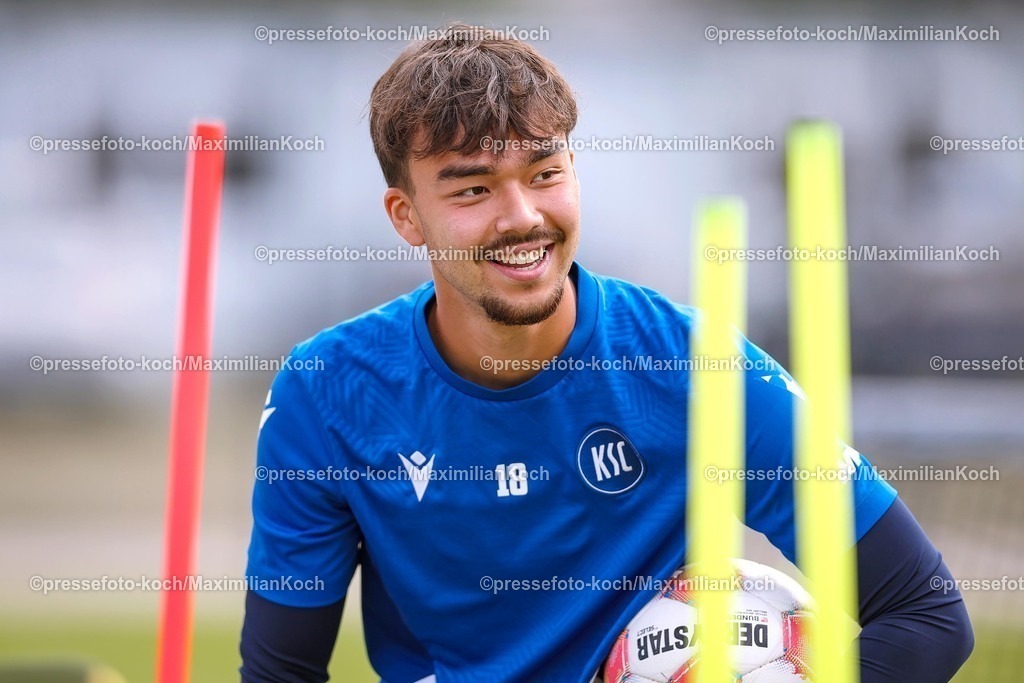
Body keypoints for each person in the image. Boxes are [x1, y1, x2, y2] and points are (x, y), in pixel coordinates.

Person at [240, 23, 973, 683]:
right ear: (407, 217)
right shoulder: (327, 391)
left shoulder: (695, 366)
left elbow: (925, 614)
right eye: (473, 188)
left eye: (545, 173)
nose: (522, 215)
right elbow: (280, 673)